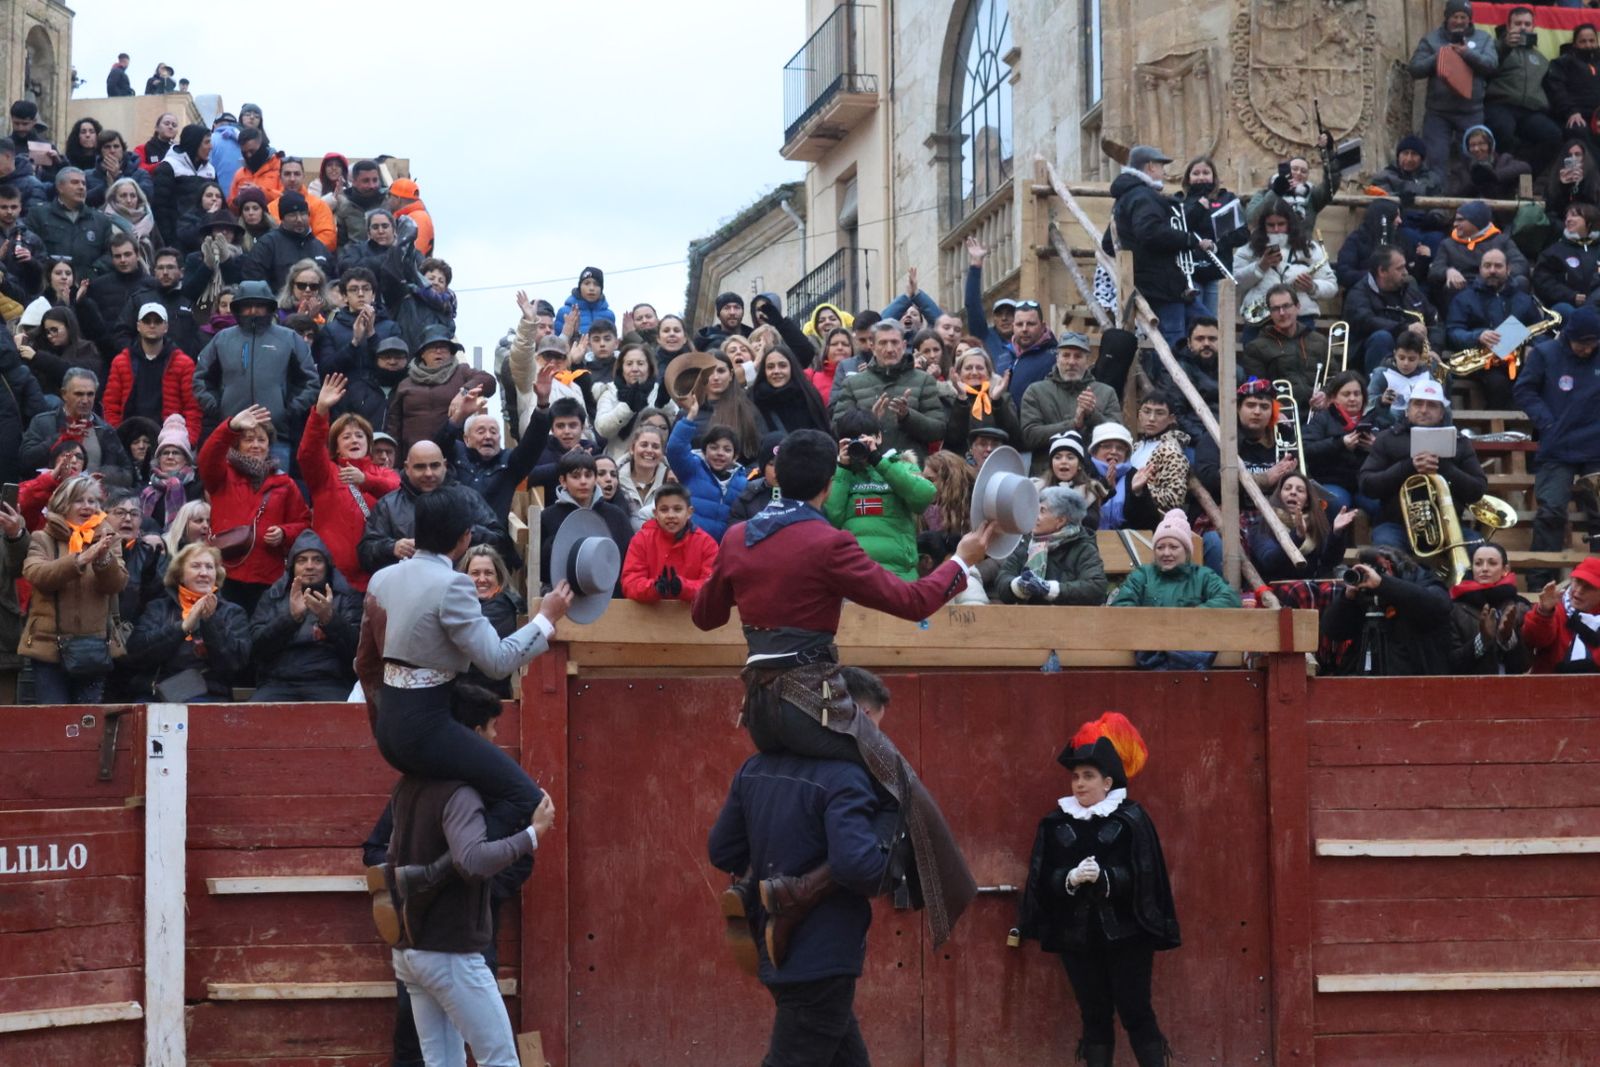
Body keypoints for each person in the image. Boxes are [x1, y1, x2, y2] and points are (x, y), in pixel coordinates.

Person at [697, 428, 998, 1035]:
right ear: (828, 483)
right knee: (899, 786)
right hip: (811, 703)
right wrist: (962, 560)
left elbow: (705, 616)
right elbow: (912, 602)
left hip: (759, 712)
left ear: (776, 476)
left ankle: (760, 884)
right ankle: (795, 894)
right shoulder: (829, 541)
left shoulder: (736, 536)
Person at [354, 486, 574, 883]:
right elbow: (497, 662)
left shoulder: (381, 579)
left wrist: (383, 724)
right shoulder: (453, 585)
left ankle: (407, 871)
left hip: (392, 728)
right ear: (465, 538)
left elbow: (365, 664)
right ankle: (431, 879)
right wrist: (545, 619)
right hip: (429, 727)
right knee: (528, 801)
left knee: (445, 792)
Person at [706, 666, 900, 1067]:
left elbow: (723, 851)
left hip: (777, 948)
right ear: (859, 716)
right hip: (823, 954)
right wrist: (888, 830)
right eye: (875, 727)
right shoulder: (846, 775)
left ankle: (765, 891)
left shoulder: (753, 769)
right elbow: (858, 866)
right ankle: (788, 894)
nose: (876, 739)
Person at [383, 684, 555, 1067]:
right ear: (472, 735)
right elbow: (473, 861)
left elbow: (390, 856)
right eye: (491, 729)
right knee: (501, 1060)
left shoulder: (407, 787)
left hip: (412, 951)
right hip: (451, 952)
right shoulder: (460, 794)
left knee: (442, 1062)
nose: (494, 740)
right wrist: (533, 834)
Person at [1015, 714, 1180, 1067]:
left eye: (1088, 776)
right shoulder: (1056, 823)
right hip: (1077, 938)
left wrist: (1107, 878)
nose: (1079, 784)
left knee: (1136, 1012)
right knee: (1094, 1016)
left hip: (1128, 936)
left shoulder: (1131, 819)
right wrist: (1070, 878)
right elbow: (1043, 879)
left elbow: (1145, 876)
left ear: (1107, 782)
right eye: (1075, 776)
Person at [18, 474, 128, 704]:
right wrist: (79, 560)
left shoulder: (108, 538)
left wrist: (103, 560)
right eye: (79, 500)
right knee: (55, 720)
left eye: (92, 501)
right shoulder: (42, 538)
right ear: (63, 504)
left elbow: (116, 584)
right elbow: (37, 574)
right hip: (48, 649)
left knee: (87, 721)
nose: (87, 506)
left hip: (93, 648)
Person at [1514, 307, 1600, 586]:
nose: (1587, 349)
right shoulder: (1545, 353)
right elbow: (1524, 390)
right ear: (1569, 337)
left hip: (1596, 445)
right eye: (1582, 343)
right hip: (1557, 445)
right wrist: (1547, 422)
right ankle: (1540, 583)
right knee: (1551, 510)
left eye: (1593, 343)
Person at [198, 403, 311, 615]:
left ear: (269, 445)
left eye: (261, 440)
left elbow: (304, 523)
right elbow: (207, 457)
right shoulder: (222, 475)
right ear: (237, 444)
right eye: (248, 439)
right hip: (225, 575)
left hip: (267, 576)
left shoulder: (285, 484)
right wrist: (230, 427)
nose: (255, 445)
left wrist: (284, 533)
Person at [297, 374, 401, 591]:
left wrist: (366, 480)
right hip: (334, 578)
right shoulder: (326, 473)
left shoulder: (384, 473)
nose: (354, 440)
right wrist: (320, 411)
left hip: (376, 574)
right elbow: (308, 453)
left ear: (369, 444)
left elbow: (396, 490)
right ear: (336, 448)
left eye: (359, 436)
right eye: (346, 437)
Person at [1360, 379, 1488, 554]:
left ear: (1442, 413)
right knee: (1386, 550)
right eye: (1418, 404)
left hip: (1449, 527)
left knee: (1480, 551)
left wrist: (1444, 468)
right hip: (1396, 527)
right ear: (1407, 410)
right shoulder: (1387, 438)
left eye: (1432, 405)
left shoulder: (1459, 442)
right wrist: (1408, 466)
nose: (1424, 410)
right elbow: (1367, 484)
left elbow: (1478, 490)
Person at [192, 280, 318, 453]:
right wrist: (219, 408)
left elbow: (310, 381)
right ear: (237, 308)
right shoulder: (222, 339)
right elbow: (201, 379)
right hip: (231, 434)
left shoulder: (289, 339)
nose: (253, 311)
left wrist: (287, 410)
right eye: (247, 306)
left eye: (260, 305)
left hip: (277, 436)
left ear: (269, 307)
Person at [1108, 145, 1213, 348]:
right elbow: (1150, 232)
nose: (1164, 173)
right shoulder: (1144, 196)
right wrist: (1189, 240)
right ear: (1150, 167)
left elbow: (1108, 242)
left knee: (1208, 327)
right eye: (1161, 166)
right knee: (1175, 342)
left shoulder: (1125, 198)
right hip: (1161, 286)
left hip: (1164, 284)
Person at [359, 441, 514, 576]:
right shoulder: (387, 505)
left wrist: (465, 532)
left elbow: (500, 541)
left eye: (434, 466)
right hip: (408, 588)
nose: (428, 473)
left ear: (444, 466)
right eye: (420, 467)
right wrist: (392, 547)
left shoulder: (468, 498)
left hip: (463, 586)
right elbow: (365, 553)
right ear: (407, 468)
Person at [1109, 509, 1239, 669]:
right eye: (1160, 547)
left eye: (1173, 547)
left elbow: (1230, 599)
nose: (1166, 553)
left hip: (1191, 648)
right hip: (1148, 650)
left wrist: (1190, 618)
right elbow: (1121, 607)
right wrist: (1154, 626)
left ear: (1186, 550)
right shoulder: (1142, 575)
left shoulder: (1203, 576)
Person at [124, 541, 251, 701]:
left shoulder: (232, 612)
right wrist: (182, 628)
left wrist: (210, 621)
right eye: (196, 566)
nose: (204, 573)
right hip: (158, 692)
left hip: (208, 694)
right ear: (180, 575)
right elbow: (136, 653)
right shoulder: (158, 607)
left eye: (210, 567)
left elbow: (235, 663)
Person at [823, 409, 937, 581]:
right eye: (851, 441)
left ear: (878, 437)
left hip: (898, 574)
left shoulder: (901, 466)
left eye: (863, 440)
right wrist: (843, 470)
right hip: (852, 575)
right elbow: (831, 521)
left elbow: (924, 497)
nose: (858, 446)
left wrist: (878, 461)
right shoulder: (837, 476)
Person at [249, 531, 362, 701]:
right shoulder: (273, 596)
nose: (309, 566)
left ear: (327, 566)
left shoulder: (346, 597)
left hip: (330, 682)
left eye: (317, 560)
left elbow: (358, 650)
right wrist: (291, 618)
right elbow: (256, 649)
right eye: (302, 560)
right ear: (292, 566)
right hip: (278, 682)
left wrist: (329, 619)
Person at [1322, 545, 1455, 675]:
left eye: (1378, 570)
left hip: (1413, 676)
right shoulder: (1362, 595)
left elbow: (1440, 605)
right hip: (1363, 676)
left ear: (1391, 567)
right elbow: (1332, 631)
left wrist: (1383, 584)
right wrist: (1347, 597)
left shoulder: (1421, 579)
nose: (1370, 576)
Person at [829, 320, 947, 455]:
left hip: (910, 466)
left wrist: (907, 416)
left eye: (895, 342)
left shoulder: (924, 380)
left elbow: (938, 430)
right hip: (867, 465)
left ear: (904, 346)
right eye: (883, 343)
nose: (890, 349)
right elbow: (837, 429)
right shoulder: (852, 383)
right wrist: (869, 421)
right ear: (872, 347)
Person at [1444, 247, 1541, 409]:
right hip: (1483, 362)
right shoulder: (1464, 299)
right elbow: (1453, 332)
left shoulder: (1524, 300)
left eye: (1498, 266)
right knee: (1498, 383)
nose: (1492, 270)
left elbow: (1541, 331)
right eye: (1487, 266)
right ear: (1480, 269)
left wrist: (1533, 347)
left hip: (1519, 361)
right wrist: (1478, 336)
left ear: (1508, 269)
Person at [1409, 0, 1497, 177]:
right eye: (1454, 17)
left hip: (1471, 112)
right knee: (1435, 159)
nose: (1458, 21)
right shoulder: (1431, 39)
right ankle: (1436, 193)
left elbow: (1491, 65)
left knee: (1475, 160)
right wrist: (1440, 56)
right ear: (1447, 18)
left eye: (1463, 17)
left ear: (1469, 19)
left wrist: (1467, 53)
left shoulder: (1484, 39)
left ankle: (1472, 193)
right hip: (1438, 113)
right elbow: (1415, 69)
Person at [1018, 332, 1119, 477]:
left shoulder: (1106, 392)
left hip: (1092, 479)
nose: (1071, 362)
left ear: (1088, 360)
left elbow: (1117, 437)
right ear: (1057, 359)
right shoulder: (1036, 391)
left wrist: (1093, 415)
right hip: (1046, 478)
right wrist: (1073, 424)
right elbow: (1029, 436)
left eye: (1078, 356)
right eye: (1066, 355)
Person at [1233, 199, 1335, 342]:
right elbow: (1234, 283)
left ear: (1290, 224)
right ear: (1263, 225)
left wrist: (1312, 287)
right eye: (1270, 225)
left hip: (1301, 318)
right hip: (1259, 320)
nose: (1276, 230)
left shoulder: (1310, 248)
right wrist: (1260, 267)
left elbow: (1331, 286)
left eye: (1281, 224)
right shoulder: (1249, 249)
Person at [386, 326, 495, 457]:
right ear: (422, 354)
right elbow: (394, 426)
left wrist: (464, 392)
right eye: (432, 348)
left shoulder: (461, 372)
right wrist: (395, 461)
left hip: (453, 455)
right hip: (414, 456)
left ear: (451, 353)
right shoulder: (405, 384)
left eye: (443, 348)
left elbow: (488, 381)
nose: (438, 351)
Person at [102, 302, 201, 443]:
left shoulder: (184, 364)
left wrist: (187, 442)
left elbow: (193, 409)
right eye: (147, 321)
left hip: (168, 442)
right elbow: (110, 406)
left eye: (158, 321)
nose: (152, 325)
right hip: (128, 441)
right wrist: (116, 438)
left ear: (166, 327)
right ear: (138, 326)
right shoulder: (121, 362)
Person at [20, 367, 135, 487]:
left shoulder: (105, 429)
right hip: (50, 495)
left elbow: (127, 473)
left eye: (90, 394)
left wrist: (101, 477)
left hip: (93, 496)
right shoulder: (43, 423)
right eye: (79, 394)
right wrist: (61, 437)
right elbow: (25, 462)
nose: (85, 400)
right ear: (64, 394)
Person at [993, 486, 1107, 605]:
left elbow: (1096, 587)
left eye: (1042, 511)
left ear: (1060, 521)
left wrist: (1050, 589)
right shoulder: (1026, 541)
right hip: (1025, 614)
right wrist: (1017, 586)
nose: (1034, 515)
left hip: (1067, 615)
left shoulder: (1083, 547)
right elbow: (1003, 577)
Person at [1343, 245, 1443, 374]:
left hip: (1412, 356)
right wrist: (1405, 328)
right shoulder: (1358, 294)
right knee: (1382, 337)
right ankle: (1379, 384)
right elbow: (1367, 321)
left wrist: (1434, 349)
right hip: (1367, 358)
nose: (1406, 272)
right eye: (1399, 268)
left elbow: (1435, 321)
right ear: (1382, 271)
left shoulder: (1410, 289)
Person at [1140, 316, 1241, 443]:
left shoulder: (1236, 371)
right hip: (1192, 439)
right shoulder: (1176, 370)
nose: (1206, 343)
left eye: (1212, 339)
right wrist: (1205, 440)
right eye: (1200, 339)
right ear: (1189, 343)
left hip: (1231, 439)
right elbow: (1176, 413)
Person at [1484, 7, 1559, 175]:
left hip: (1530, 111)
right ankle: (1500, 175)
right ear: (1508, 26)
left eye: (1527, 24)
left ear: (1533, 27)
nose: (1523, 27)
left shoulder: (1541, 58)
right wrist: (1504, 46)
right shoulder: (1494, 48)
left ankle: (1525, 173)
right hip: (1500, 105)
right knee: (1503, 129)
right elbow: (1486, 69)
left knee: (1553, 135)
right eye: (1518, 23)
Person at [666, 399, 749, 543]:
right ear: (704, 451)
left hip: (722, 550)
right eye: (714, 447)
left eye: (727, 449)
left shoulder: (743, 484)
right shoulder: (692, 469)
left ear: (735, 456)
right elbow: (675, 449)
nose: (720, 453)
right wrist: (690, 417)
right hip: (689, 544)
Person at [621, 484, 720, 605]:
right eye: (664, 510)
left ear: (689, 512)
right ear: (655, 513)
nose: (671, 515)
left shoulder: (707, 544)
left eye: (677, 509)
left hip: (691, 614)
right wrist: (654, 588)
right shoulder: (641, 540)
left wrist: (683, 587)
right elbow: (630, 583)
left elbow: (712, 587)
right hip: (649, 613)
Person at [1248, 473, 1355, 582]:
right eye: (1287, 488)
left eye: (1300, 490)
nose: (1293, 492)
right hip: (1275, 585)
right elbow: (1269, 561)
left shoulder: (1315, 523)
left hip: (1310, 584)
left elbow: (1329, 562)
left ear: (1307, 502)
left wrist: (1336, 533)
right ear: (1279, 496)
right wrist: (1297, 536)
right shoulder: (1263, 523)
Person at [1240, 284, 1330, 412]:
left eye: (1286, 306)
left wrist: (1326, 394)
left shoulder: (1319, 340)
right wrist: (1275, 412)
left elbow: (1333, 377)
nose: (1282, 313)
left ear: (1297, 307)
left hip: (1320, 412)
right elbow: (1258, 390)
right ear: (1269, 313)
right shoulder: (1255, 348)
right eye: (1276, 309)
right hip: (1282, 414)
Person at [1448, 543, 1533, 675]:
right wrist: (1482, 640)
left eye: (1492, 563)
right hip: (1469, 686)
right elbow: (1451, 664)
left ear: (1505, 569)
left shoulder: (1520, 606)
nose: (1484, 569)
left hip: (1512, 686)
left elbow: (1525, 665)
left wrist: (1508, 638)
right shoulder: (1455, 609)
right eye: (1478, 563)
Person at [1304, 371, 1380, 517]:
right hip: (1330, 481)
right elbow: (1307, 449)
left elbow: (1390, 449)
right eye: (1346, 394)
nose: (1352, 399)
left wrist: (1376, 447)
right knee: (1336, 502)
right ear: (1334, 398)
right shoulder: (1322, 419)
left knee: (1377, 503)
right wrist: (1340, 443)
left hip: (1364, 483)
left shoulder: (1374, 418)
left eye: (1357, 394)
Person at [593, 342, 676, 461]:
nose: (635, 369)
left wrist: (664, 405)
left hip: (653, 459)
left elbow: (673, 424)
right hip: (617, 460)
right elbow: (603, 429)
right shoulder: (610, 392)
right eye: (629, 364)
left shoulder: (659, 392)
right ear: (621, 368)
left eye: (640, 364)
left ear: (649, 367)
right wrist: (628, 408)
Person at [26, 168, 115, 278]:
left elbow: (111, 252)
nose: (81, 187)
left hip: (89, 284)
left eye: (84, 183)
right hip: (49, 283)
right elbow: (31, 249)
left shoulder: (101, 220)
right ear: (60, 187)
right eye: (75, 182)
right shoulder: (38, 215)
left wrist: (94, 271)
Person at [315, 268, 401, 374]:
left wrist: (372, 335)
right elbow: (325, 369)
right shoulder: (330, 330)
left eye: (366, 289)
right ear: (345, 297)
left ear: (373, 295)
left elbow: (395, 368)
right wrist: (354, 343)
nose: (360, 294)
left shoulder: (391, 327)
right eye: (353, 289)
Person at [1523, 556, 1600, 674]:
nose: (1579, 590)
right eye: (1578, 582)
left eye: (1588, 587)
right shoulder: (1554, 610)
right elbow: (1533, 639)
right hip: (1549, 684)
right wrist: (1543, 613)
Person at [151, 124, 214, 250]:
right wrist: (170, 242)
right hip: (176, 240)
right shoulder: (169, 167)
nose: (211, 147)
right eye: (207, 142)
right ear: (195, 143)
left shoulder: (210, 170)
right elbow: (160, 208)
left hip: (204, 237)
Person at [1533, 203, 1600, 318]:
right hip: (1568, 309)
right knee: (1564, 309)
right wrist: (1571, 296)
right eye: (1567, 217)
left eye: (1574, 215)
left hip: (1597, 306)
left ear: (1589, 221)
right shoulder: (1554, 252)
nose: (1568, 220)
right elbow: (1543, 282)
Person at [138, 413, 202, 533]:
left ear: (186, 459)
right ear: (159, 459)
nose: (170, 457)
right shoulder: (148, 491)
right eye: (165, 453)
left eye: (176, 453)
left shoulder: (196, 488)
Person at [1365, 330, 1441, 430]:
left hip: (1418, 427)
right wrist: (1381, 401)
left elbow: (1440, 406)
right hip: (1385, 427)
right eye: (1401, 358)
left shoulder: (1426, 377)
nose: (1405, 363)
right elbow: (1367, 403)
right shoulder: (1381, 374)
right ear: (1394, 354)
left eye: (1411, 359)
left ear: (1420, 357)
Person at [1545, 22, 1600, 153]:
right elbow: (1556, 90)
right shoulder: (1562, 63)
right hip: (1574, 115)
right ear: (1575, 44)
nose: (1588, 45)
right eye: (1583, 41)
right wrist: (1571, 111)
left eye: (1592, 41)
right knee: (1579, 130)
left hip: (1598, 115)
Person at [752, 345, 830, 436]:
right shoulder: (755, 400)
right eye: (770, 367)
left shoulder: (808, 396)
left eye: (782, 366)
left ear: (792, 368)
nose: (776, 371)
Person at [1447, 126, 1531, 201]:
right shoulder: (1461, 168)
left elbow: (1525, 167)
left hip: (1502, 210)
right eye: (1472, 145)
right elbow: (1453, 192)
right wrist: (1477, 179)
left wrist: (1492, 176)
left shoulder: (1504, 160)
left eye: (1481, 144)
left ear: (1490, 145)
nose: (1476, 149)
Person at [617, 420, 670, 529]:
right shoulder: (615, 481)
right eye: (644, 445)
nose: (649, 450)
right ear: (632, 449)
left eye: (655, 446)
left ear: (662, 453)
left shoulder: (671, 481)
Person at [333, 160, 387, 250]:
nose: (372, 185)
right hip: (354, 256)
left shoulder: (387, 203)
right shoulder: (344, 206)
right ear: (354, 182)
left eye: (375, 180)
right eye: (366, 181)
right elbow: (340, 244)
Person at [554, 266, 612, 337]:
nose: (591, 288)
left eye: (596, 284)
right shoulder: (565, 312)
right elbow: (556, 341)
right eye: (587, 283)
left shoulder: (609, 315)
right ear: (580, 287)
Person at [384, 177, 433, 257]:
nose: (387, 199)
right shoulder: (411, 217)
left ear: (398, 199)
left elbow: (414, 255)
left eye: (389, 195)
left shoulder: (418, 219)